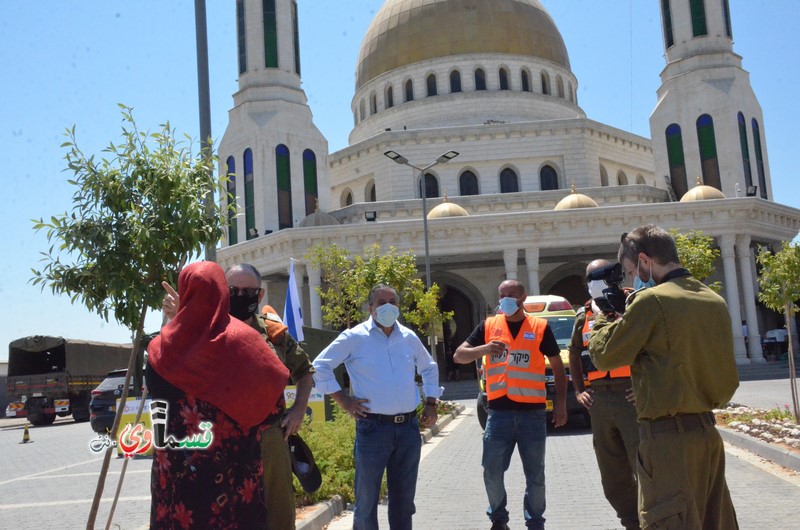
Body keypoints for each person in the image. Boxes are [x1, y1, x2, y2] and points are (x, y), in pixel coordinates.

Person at [589, 225, 739, 529]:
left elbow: (605, 356)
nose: (633, 280)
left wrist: (603, 317)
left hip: (667, 440)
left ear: (644, 260)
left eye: (631, 272)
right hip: (707, 434)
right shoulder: (712, 298)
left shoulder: (651, 302)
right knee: (714, 521)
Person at [163, 262, 315, 530]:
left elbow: (305, 371)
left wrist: (299, 409)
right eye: (233, 289)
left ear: (260, 295)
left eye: (248, 290)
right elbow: (171, 361)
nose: (240, 295)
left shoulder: (273, 330)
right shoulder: (206, 329)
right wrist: (181, 318)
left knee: (278, 515)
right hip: (221, 444)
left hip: (269, 438)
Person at [312, 284, 441, 530]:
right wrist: (343, 400)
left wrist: (431, 403)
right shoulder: (354, 337)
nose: (388, 306)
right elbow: (320, 366)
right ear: (371, 308)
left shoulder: (408, 337)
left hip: (408, 430)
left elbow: (429, 367)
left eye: (393, 301)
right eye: (382, 302)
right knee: (367, 501)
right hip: (373, 430)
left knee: (404, 501)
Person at [454, 279, 567, 530]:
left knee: (535, 476)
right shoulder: (488, 326)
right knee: (492, 472)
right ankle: (498, 519)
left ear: (523, 297)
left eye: (511, 294)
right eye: (501, 294)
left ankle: (535, 522)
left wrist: (560, 405)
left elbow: (558, 368)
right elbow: (459, 355)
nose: (505, 299)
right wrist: (483, 348)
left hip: (533, 415)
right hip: (499, 415)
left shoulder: (539, 327)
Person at [568, 259, 640, 530]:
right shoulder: (583, 313)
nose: (590, 282)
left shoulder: (633, 302)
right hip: (599, 400)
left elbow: (653, 347)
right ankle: (631, 522)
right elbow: (574, 354)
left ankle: (653, 519)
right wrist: (579, 390)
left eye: (595, 276)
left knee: (643, 465)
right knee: (612, 474)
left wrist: (645, 386)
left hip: (630, 397)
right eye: (588, 277)